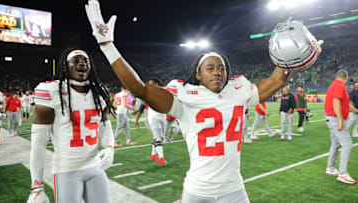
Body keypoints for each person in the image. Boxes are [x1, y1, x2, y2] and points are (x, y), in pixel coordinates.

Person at [84, 1, 321, 201]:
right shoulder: (184, 96)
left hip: (234, 190)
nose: (217, 71)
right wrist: (107, 46)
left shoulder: (238, 90)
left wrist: (298, 55)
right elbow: (139, 89)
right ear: (198, 74)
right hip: (198, 191)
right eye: (210, 68)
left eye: (221, 68)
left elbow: (278, 79)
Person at [27, 48, 116, 203]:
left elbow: (105, 124)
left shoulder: (99, 91)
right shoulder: (51, 90)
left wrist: (109, 147)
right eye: (76, 60)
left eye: (85, 60)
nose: (82, 63)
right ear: (65, 66)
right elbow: (39, 143)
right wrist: (37, 186)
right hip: (67, 170)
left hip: (95, 167)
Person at [324, 69, 357, 184]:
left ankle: (331, 167)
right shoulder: (339, 86)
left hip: (331, 117)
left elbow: (344, 103)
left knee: (335, 143)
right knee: (347, 144)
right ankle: (343, 173)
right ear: (346, 77)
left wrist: (356, 110)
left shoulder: (334, 85)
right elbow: (336, 102)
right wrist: (340, 120)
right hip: (334, 118)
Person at [147, 78, 168, 166]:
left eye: (151, 83)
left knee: (157, 137)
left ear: (156, 83)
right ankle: (162, 159)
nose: (149, 85)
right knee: (159, 138)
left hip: (162, 117)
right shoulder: (148, 92)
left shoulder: (163, 91)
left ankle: (153, 155)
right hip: (153, 117)